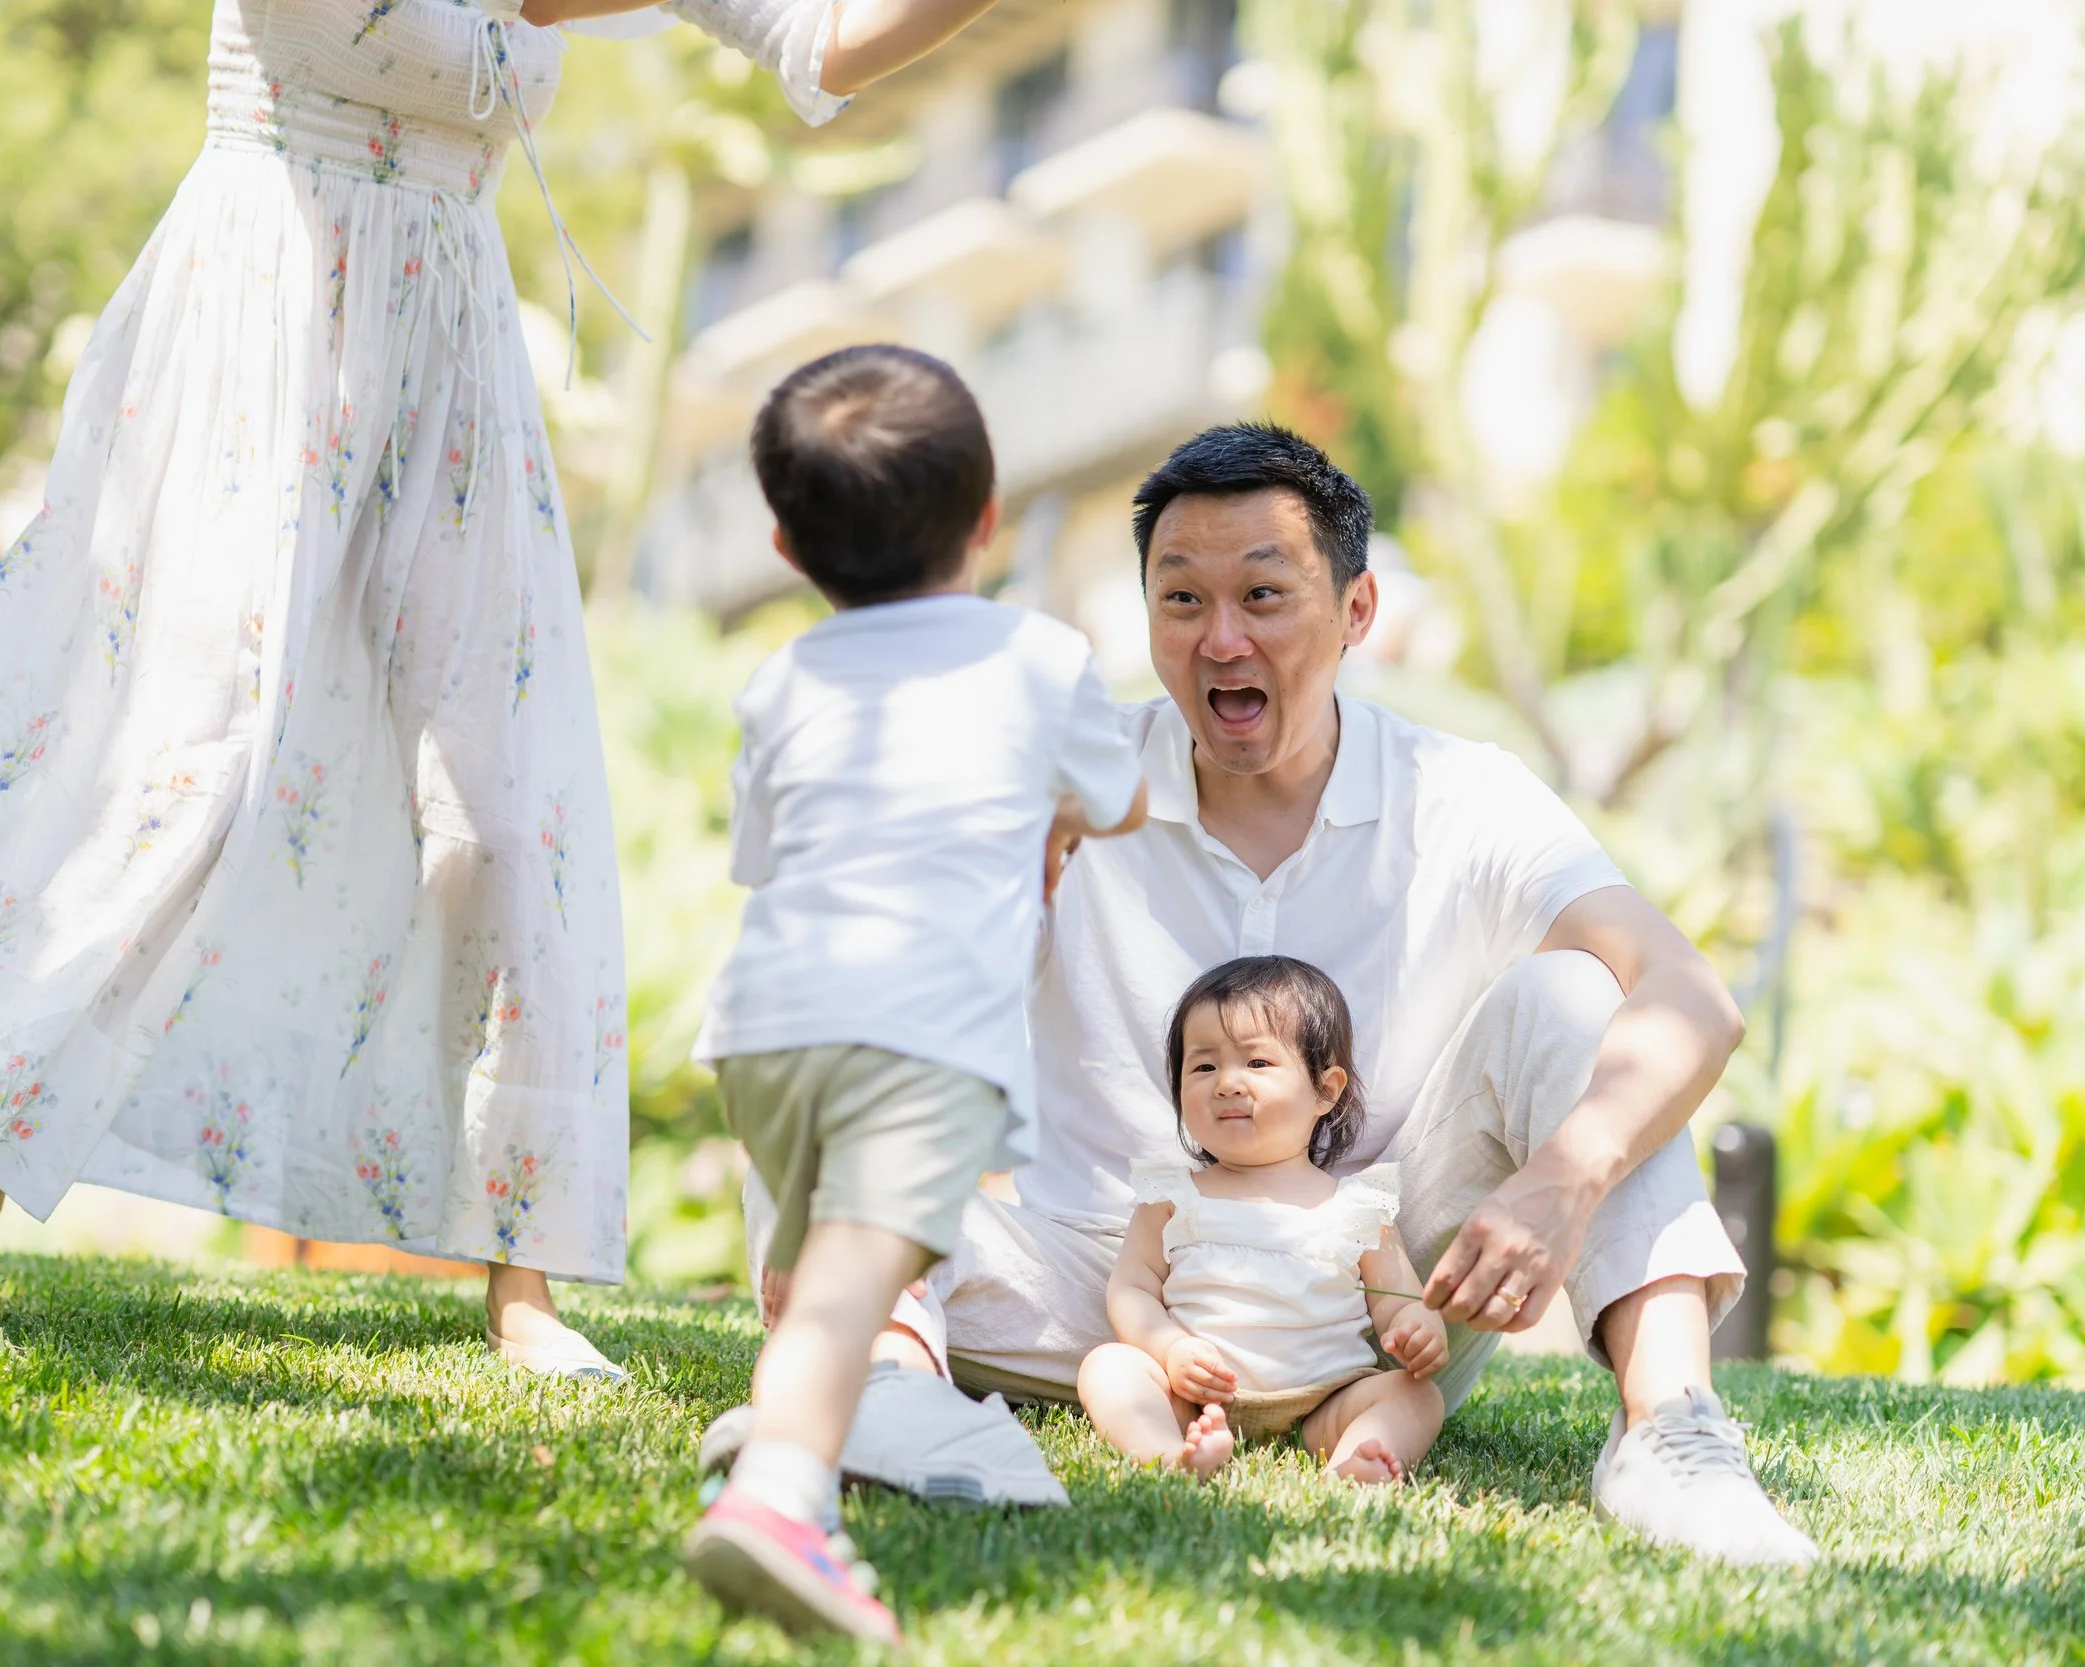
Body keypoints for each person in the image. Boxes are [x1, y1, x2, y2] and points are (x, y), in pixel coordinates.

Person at [0, 0, 1021, 1376]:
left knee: (493, 805)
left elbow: (822, 39)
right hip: (256, 331)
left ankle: (522, 1279)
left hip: (448, 354)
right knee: (185, 761)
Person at [719, 421, 1821, 1567]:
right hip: (1079, 1290)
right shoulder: (1073, 770)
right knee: (829, 992)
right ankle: (888, 1382)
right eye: (1181, 599)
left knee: (1578, 998)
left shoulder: (1462, 796)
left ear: (1355, 612)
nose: (1221, 638)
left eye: (1263, 592)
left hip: (1364, 1300)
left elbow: (1692, 990)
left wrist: (1561, 1178)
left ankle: (1670, 1430)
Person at [681, 345, 1145, 1642]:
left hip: (765, 1027)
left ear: (784, 541)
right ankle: (780, 1498)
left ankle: (797, 1386)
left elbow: (761, 854)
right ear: (989, 518)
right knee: (858, 1275)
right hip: (918, 1035)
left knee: (822, 1254)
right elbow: (1121, 799)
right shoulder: (1043, 657)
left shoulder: (779, 680)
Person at [1078, 957, 1447, 1484]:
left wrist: (1418, 1328)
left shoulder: (1358, 1206)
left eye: (1256, 1064)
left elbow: (1399, 1301)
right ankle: (1168, 1456)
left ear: (1326, 1089)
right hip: (1195, 1395)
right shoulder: (1172, 1197)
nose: (1226, 1083)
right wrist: (1170, 1347)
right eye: (1203, 1067)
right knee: (1109, 1366)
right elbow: (1132, 1288)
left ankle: (1350, 1463)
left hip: (1326, 1399)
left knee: (1416, 1395)